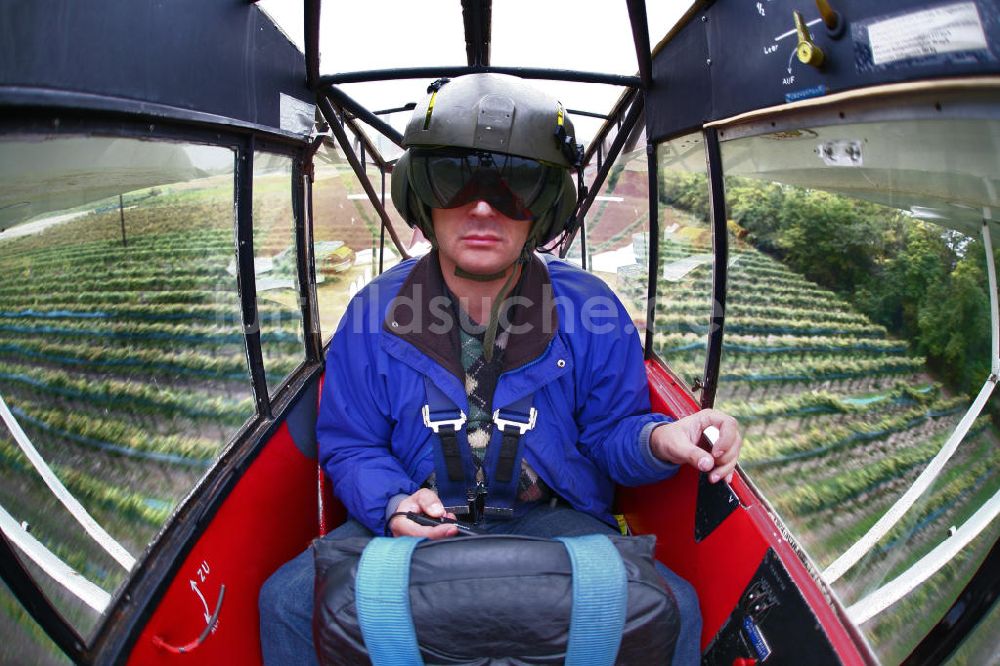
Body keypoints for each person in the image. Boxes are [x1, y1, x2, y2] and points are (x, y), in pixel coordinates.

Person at [259, 73, 742, 665]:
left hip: (548, 520)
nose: (484, 207)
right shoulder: (371, 316)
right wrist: (392, 504)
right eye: (454, 180)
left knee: (676, 603)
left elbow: (609, 436)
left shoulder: (591, 310)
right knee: (285, 601)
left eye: (517, 184)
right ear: (421, 196)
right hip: (419, 519)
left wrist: (661, 438)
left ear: (546, 208)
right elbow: (353, 446)